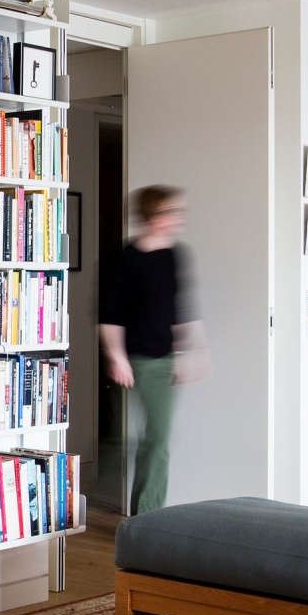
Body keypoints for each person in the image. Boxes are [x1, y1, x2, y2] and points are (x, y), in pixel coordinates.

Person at [99, 185, 208, 515]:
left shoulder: (175, 254)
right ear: (155, 215)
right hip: (132, 361)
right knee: (119, 439)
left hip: (162, 362)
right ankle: (104, 497)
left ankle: (147, 515)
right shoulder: (125, 258)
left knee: (158, 440)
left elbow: (182, 307)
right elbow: (109, 314)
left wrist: (193, 352)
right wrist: (117, 357)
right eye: (173, 211)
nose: (179, 218)